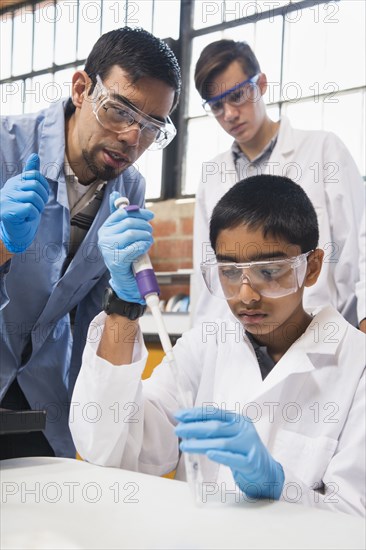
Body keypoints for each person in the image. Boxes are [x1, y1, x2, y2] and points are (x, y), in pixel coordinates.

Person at [70, 175, 365, 517]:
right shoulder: (206, 344)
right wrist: (122, 306)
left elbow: (355, 517)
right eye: (228, 272)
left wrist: (278, 483)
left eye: (269, 272)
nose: (246, 295)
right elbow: (113, 451)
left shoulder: (357, 366)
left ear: (311, 267)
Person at [0, 26, 181, 459]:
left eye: (152, 127)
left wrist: (93, 427)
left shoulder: (128, 189)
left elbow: (90, 316)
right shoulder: (6, 145)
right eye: (120, 111)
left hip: (44, 395)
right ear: (82, 88)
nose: (132, 139)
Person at [191, 39, 365, 330]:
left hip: (317, 333)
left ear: (260, 84)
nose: (229, 114)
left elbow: (359, 245)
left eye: (237, 96)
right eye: (217, 105)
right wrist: (201, 340)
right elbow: (205, 272)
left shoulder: (323, 151)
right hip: (236, 341)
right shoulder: (212, 174)